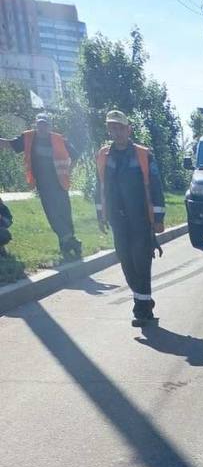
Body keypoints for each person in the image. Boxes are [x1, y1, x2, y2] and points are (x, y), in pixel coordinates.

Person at [95, 111, 166, 327]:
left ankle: (142, 310)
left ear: (128, 129)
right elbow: (99, 186)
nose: (116, 132)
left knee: (141, 262)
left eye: (119, 127)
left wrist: (159, 217)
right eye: (112, 128)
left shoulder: (143, 155)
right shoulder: (104, 155)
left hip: (141, 219)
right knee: (126, 262)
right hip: (118, 219)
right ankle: (144, 301)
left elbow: (155, 186)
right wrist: (100, 214)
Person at [0, 114, 81, 260]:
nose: (42, 128)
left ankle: (69, 243)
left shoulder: (58, 139)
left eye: (45, 125)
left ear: (50, 126)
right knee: (53, 215)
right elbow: (10, 144)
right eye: (40, 124)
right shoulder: (29, 138)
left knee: (64, 214)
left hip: (60, 184)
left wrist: (69, 171)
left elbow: (75, 155)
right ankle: (70, 242)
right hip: (44, 186)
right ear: (35, 125)